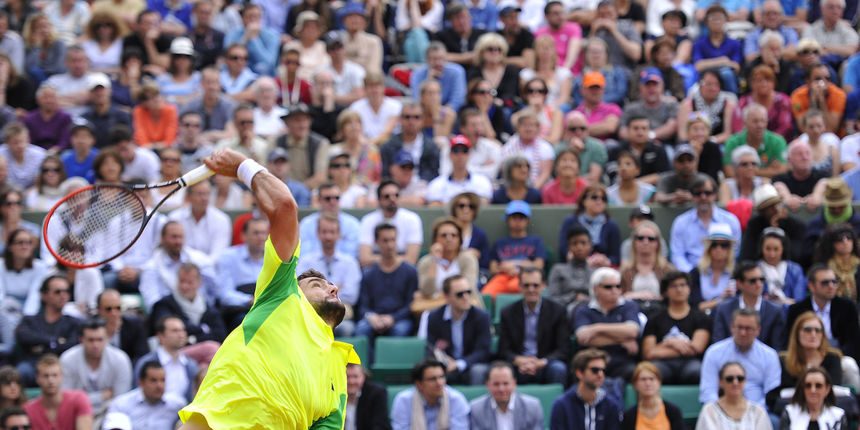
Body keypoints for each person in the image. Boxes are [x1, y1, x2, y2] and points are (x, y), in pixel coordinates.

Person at [178, 147, 360, 429]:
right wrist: (242, 166)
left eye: (330, 283)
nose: (333, 287)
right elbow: (285, 206)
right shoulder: (282, 295)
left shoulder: (339, 371)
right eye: (317, 284)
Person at [498, 267, 569, 385]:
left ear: (543, 286)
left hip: (546, 363)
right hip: (518, 364)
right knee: (501, 370)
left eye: (535, 285)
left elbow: (563, 349)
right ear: (519, 287)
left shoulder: (558, 311)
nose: (531, 289)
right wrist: (518, 360)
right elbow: (503, 349)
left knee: (558, 368)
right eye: (526, 285)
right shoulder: (508, 312)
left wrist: (542, 362)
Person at [700, 308, 782, 408]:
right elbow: (708, 391)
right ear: (731, 327)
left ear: (758, 330)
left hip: (758, 412)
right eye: (739, 327)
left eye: (748, 328)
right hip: (722, 411)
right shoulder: (714, 352)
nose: (743, 333)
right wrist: (720, 411)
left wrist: (753, 412)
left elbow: (771, 394)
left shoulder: (770, 356)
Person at [354, 224, 418, 352]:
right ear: (377, 242)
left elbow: (411, 304)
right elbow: (363, 306)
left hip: (400, 319)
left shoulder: (410, 271)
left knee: (400, 330)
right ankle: (364, 370)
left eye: (393, 240)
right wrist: (372, 317)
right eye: (385, 240)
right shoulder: (368, 273)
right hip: (374, 318)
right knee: (361, 330)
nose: (390, 245)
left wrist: (393, 318)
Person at [295, 214, 361, 336]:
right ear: (318, 234)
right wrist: (337, 289)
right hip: (312, 312)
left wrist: (319, 291)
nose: (328, 236)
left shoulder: (350, 262)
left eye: (332, 232)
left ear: (339, 234)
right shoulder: (306, 261)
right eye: (324, 232)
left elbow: (351, 296)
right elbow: (300, 290)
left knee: (346, 328)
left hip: (342, 314)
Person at [641, 271, 710, 385]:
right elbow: (648, 353)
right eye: (674, 286)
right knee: (651, 372)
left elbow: (696, 348)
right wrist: (670, 342)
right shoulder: (655, 318)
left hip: (690, 363)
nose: (679, 289)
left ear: (689, 289)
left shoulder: (701, 317)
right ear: (666, 291)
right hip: (662, 364)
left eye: (683, 285)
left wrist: (662, 346)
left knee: (698, 371)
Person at [574, 268, 641, 380]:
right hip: (592, 363)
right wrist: (622, 339)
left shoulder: (629, 306)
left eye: (618, 286)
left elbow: (633, 331)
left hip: (622, 362)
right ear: (596, 289)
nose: (614, 290)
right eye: (608, 287)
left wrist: (597, 329)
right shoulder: (584, 310)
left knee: (634, 372)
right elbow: (584, 338)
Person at [59, 318, 133, 419]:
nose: (95, 345)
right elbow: (65, 399)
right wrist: (101, 396)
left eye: (100, 339)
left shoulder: (121, 359)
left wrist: (80, 398)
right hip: (76, 415)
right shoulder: (67, 359)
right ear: (81, 340)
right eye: (91, 340)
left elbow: (121, 401)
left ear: (107, 338)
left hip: (110, 414)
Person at [768, 312, 844, 410]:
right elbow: (773, 395)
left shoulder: (833, 358)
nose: (813, 334)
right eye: (808, 330)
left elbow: (833, 393)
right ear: (797, 333)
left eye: (818, 330)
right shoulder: (784, 361)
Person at [426, 274, 492, 386]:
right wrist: (443, 360)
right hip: (447, 366)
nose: (466, 297)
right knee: (432, 372)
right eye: (460, 294)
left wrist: (459, 363)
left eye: (468, 292)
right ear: (447, 297)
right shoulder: (435, 317)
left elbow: (483, 351)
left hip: (472, 364)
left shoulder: (481, 316)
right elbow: (431, 346)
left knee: (478, 371)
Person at [15, 275, 80, 385]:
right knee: (21, 371)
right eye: (57, 292)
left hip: (62, 367)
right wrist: (54, 342)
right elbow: (24, 336)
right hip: (33, 365)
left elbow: (72, 345)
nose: (63, 295)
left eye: (66, 291)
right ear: (44, 295)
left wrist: (41, 346)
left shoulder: (74, 322)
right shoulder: (30, 320)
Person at [138, 221, 217, 312]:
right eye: (174, 237)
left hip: (201, 311)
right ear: (163, 238)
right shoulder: (151, 267)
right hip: (168, 316)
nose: (178, 241)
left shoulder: (201, 260)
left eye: (181, 237)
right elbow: (152, 301)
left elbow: (212, 293)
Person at [788, 264, 859, 362]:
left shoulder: (847, 307)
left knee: (849, 365)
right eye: (825, 283)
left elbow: (853, 342)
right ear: (811, 286)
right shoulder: (797, 310)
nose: (831, 286)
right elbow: (792, 341)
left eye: (834, 282)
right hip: (806, 356)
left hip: (840, 356)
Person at [670, 176, 742, 272]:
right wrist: (692, 275)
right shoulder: (680, 222)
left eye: (708, 193)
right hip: (689, 276)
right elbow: (677, 256)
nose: (703, 197)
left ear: (715, 195)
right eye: (698, 194)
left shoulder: (730, 221)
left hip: (722, 273)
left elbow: (734, 254)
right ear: (692, 196)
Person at [712, 261, 787, 350]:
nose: (759, 284)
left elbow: (777, 347)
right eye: (753, 281)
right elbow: (718, 344)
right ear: (739, 284)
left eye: (761, 280)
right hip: (729, 361)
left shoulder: (775, 311)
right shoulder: (724, 309)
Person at [413, 217, 481, 314]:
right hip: (432, 312)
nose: (449, 239)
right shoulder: (425, 262)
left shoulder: (468, 259)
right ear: (435, 239)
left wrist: (437, 296)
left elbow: (466, 290)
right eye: (443, 235)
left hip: (464, 310)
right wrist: (435, 260)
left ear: (460, 239)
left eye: (454, 235)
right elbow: (426, 291)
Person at [150, 263, 227, 344]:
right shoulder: (164, 304)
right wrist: (202, 329)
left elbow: (220, 336)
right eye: (182, 281)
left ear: (199, 283)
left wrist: (192, 339)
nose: (184, 286)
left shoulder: (208, 308)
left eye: (190, 282)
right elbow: (166, 329)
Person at [483, 201, 547, 297]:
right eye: (514, 217)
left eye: (521, 218)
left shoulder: (536, 240)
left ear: (527, 220)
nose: (517, 221)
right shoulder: (500, 242)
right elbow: (493, 268)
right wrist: (505, 268)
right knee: (485, 295)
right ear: (508, 219)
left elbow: (539, 265)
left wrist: (516, 264)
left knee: (513, 286)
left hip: (527, 276)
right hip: (503, 276)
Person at [550, 348, 623, 430]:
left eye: (603, 370)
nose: (600, 374)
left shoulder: (611, 405)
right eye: (595, 370)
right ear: (579, 373)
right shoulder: (562, 405)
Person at [358, 180, 423, 266]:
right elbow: (364, 259)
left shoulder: (412, 219)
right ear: (379, 199)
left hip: (403, 267)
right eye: (387, 196)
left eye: (396, 195)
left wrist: (385, 260)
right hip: (375, 268)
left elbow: (411, 259)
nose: (392, 199)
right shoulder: (368, 220)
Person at [390, 359, 470, 429]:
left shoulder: (456, 399)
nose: (439, 383)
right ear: (419, 384)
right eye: (432, 379)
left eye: (442, 377)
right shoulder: (404, 400)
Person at [107, 361, 186, 430]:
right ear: (141, 383)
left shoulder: (178, 405)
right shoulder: (121, 404)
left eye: (163, 380)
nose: (159, 386)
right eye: (153, 380)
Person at [740, 184, 808, 264]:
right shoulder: (754, 225)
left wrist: (778, 231)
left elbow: (797, 255)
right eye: (770, 206)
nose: (776, 209)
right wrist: (770, 230)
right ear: (762, 211)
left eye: (777, 204)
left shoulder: (796, 225)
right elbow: (748, 256)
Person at [135, 316, 198, 402]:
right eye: (175, 331)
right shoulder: (145, 363)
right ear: (161, 336)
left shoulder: (191, 365)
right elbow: (138, 394)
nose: (181, 334)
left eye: (182, 330)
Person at [24, 354, 93, 430]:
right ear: (37, 378)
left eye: (55, 375)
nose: (51, 381)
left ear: (62, 377)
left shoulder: (79, 399)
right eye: (45, 376)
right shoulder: (28, 410)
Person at [557, 184, 621, 266]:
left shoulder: (611, 225)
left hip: (602, 268)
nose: (599, 201)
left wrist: (605, 260)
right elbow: (563, 250)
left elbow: (615, 256)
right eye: (594, 197)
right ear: (584, 201)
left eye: (603, 199)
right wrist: (582, 260)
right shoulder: (570, 221)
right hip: (575, 266)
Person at [469, 361, 545, 430]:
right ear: (487, 385)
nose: (501, 389)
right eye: (496, 384)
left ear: (514, 383)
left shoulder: (532, 407)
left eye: (506, 383)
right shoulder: (477, 409)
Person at [696, 362, 773, 429]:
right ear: (721, 382)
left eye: (740, 378)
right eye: (729, 379)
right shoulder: (709, 411)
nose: (735, 383)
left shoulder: (758, 412)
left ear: (745, 381)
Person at [619, 220, 675, 308]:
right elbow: (617, 298)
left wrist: (656, 299)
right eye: (640, 238)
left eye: (651, 239)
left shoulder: (668, 270)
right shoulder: (625, 271)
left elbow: (676, 297)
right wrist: (633, 296)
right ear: (634, 242)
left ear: (658, 243)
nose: (645, 242)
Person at [379, 102, 439, 183]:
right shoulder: (388, 147)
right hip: (395, 188)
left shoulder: (431, 147)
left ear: (423, 120)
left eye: (416, 117)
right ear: (400, 119)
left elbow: (433, 174)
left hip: (423, 189)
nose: (411, 121)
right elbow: (385, 174)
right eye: (407, 117)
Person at [724, 104, 789, 179]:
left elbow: (781, 171)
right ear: (744, 122)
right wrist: (769, 170)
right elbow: (729, 173)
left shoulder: (778, 141)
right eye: (755, 121)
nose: (760, 125)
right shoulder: (732, 142)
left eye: (763, 121)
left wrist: (744, 171)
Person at [426, 135, 493, 205]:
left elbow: (483, 205)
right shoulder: (436, 184)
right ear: (450, 154)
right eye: (456, 151)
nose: (460, 155)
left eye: (464, 151)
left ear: (469, 155)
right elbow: (434, 207)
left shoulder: (482, 182)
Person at [677, 70, 737, 144]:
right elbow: (683, 135)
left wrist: (709, 141)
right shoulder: (688, 104)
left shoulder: (728, 104)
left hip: (718, 145)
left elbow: (728, 134)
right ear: (700, 85)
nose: (712, 88)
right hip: (691, 143)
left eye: (716, 84)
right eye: (709, 84)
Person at [734, 65, 794, 139]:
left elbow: (785, 127)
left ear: (774, 83)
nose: (764, 84)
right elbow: (738, 127)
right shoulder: (743, 102)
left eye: (768, 80)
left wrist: (768, 141)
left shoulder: (783, 101)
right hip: (749, 142)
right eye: (759, 80)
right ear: (752, 83)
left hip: (777, 143)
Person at [609, 115, 671, 185]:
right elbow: (613, 176)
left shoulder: (658, 150)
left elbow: (663, 176)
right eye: (636, 128)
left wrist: (633, 184)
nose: (640, 132)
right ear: (628, 130)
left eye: (644, 128)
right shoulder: (617, 151)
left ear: (649, 131)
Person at [779, 367, 848, 429]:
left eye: (818, 386)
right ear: (803, 389)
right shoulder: (789, 413)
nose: (813, 390)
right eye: (808, 386)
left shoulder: (838, 416)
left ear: (827, 390)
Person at [622, 361, 685, 429]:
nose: (648, 383)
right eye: (643, 379)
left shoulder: (673, 411)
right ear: (635, 384)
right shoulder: (629, 415)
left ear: (659, 382)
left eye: (652, 379)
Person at [502, 109, 555, 189]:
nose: (528, 128)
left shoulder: (545, 147)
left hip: (538, 190)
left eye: (532, 125)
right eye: (525, 125)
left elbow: (545, 174)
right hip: (513, 188)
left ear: (538, 128)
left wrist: (531, 192)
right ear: (518, 128)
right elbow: (506, 171)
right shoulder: (508, 147)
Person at [547, 225, 594, 314]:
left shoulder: (596, 272)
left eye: (583, 243)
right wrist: (573, 297)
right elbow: (551, 300)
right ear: (569, 247)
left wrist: (586, 299)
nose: (579, 247)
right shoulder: (558, 270)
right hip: (564, 314)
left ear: (590, 246)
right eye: (575, 243)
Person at [789, 63, 846, 135]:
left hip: (832, 137)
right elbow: (804, 129)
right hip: (807, 138)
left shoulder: (839, 95)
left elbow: (831, 129)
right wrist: (813, 101)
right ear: (808, 81)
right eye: (818, 79)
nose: (823, 82)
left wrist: (822, 101)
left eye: (827, 78)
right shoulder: (797, 96)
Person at [409, 42, 467, 112]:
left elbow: (458, 100)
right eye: (434, 59)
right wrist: (429, 80)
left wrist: (442, 113)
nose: (438, 63)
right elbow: (416, 99)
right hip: (425, 113)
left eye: (441, 58)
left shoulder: (456, 71)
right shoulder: (418, 74)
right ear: (427, 60)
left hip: (450, 114)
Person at [756, 227, 808, 305]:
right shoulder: (754, 270)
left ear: (783, 249)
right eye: (768, 249)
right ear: (761, 248)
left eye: (776, 249)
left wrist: (781, 301)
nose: (772, 254)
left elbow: (799, 301)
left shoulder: (795, 270)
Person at [773, 140, 829, 211]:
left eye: (807, 153)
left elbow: (825, 182)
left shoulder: (823, 175)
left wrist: (816, 196)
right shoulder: (780, 179)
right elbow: (778, 185)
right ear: (789, 159)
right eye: (799, 154)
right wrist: (787, 198)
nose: (804, 157)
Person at [96, 289, 148, 363]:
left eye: (118, 308)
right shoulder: (90, 327)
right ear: (99, 309)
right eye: (108, 309)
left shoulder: (134, 325)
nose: (114, 313)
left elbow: (141, 356)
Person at [519, 35, 569, 110]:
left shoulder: (563, 73)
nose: (546, 50)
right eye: (542, 47)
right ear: (536, 51)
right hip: (532, 107)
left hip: (556, 109)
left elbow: (564, 97)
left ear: (554, 51)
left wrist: (550, 111)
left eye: (549, 47)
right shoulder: (526, 74)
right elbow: (525, 96)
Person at [571, 40, 627, 108]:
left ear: (606, 54)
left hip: (611, 110)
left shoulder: (617, 73)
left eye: (599, 51)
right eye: (592, 52)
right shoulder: (579, 79)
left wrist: (598, 104)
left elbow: (620, 94)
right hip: (586, 112)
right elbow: (577, 99)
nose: (596, 55)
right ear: (586, 55)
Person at [813, 223, 860, 301]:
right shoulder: (823, 268)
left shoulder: (858, 266)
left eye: (849, 237)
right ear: (831, 243)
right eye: (839, 238)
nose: (845, 241)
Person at [344, 363, 390, 430]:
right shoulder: (333, 396)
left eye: (355, 376)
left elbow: (380, 425)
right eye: (347, 377)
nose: (351, 381)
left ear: (363, 377)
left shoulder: (377, 393)